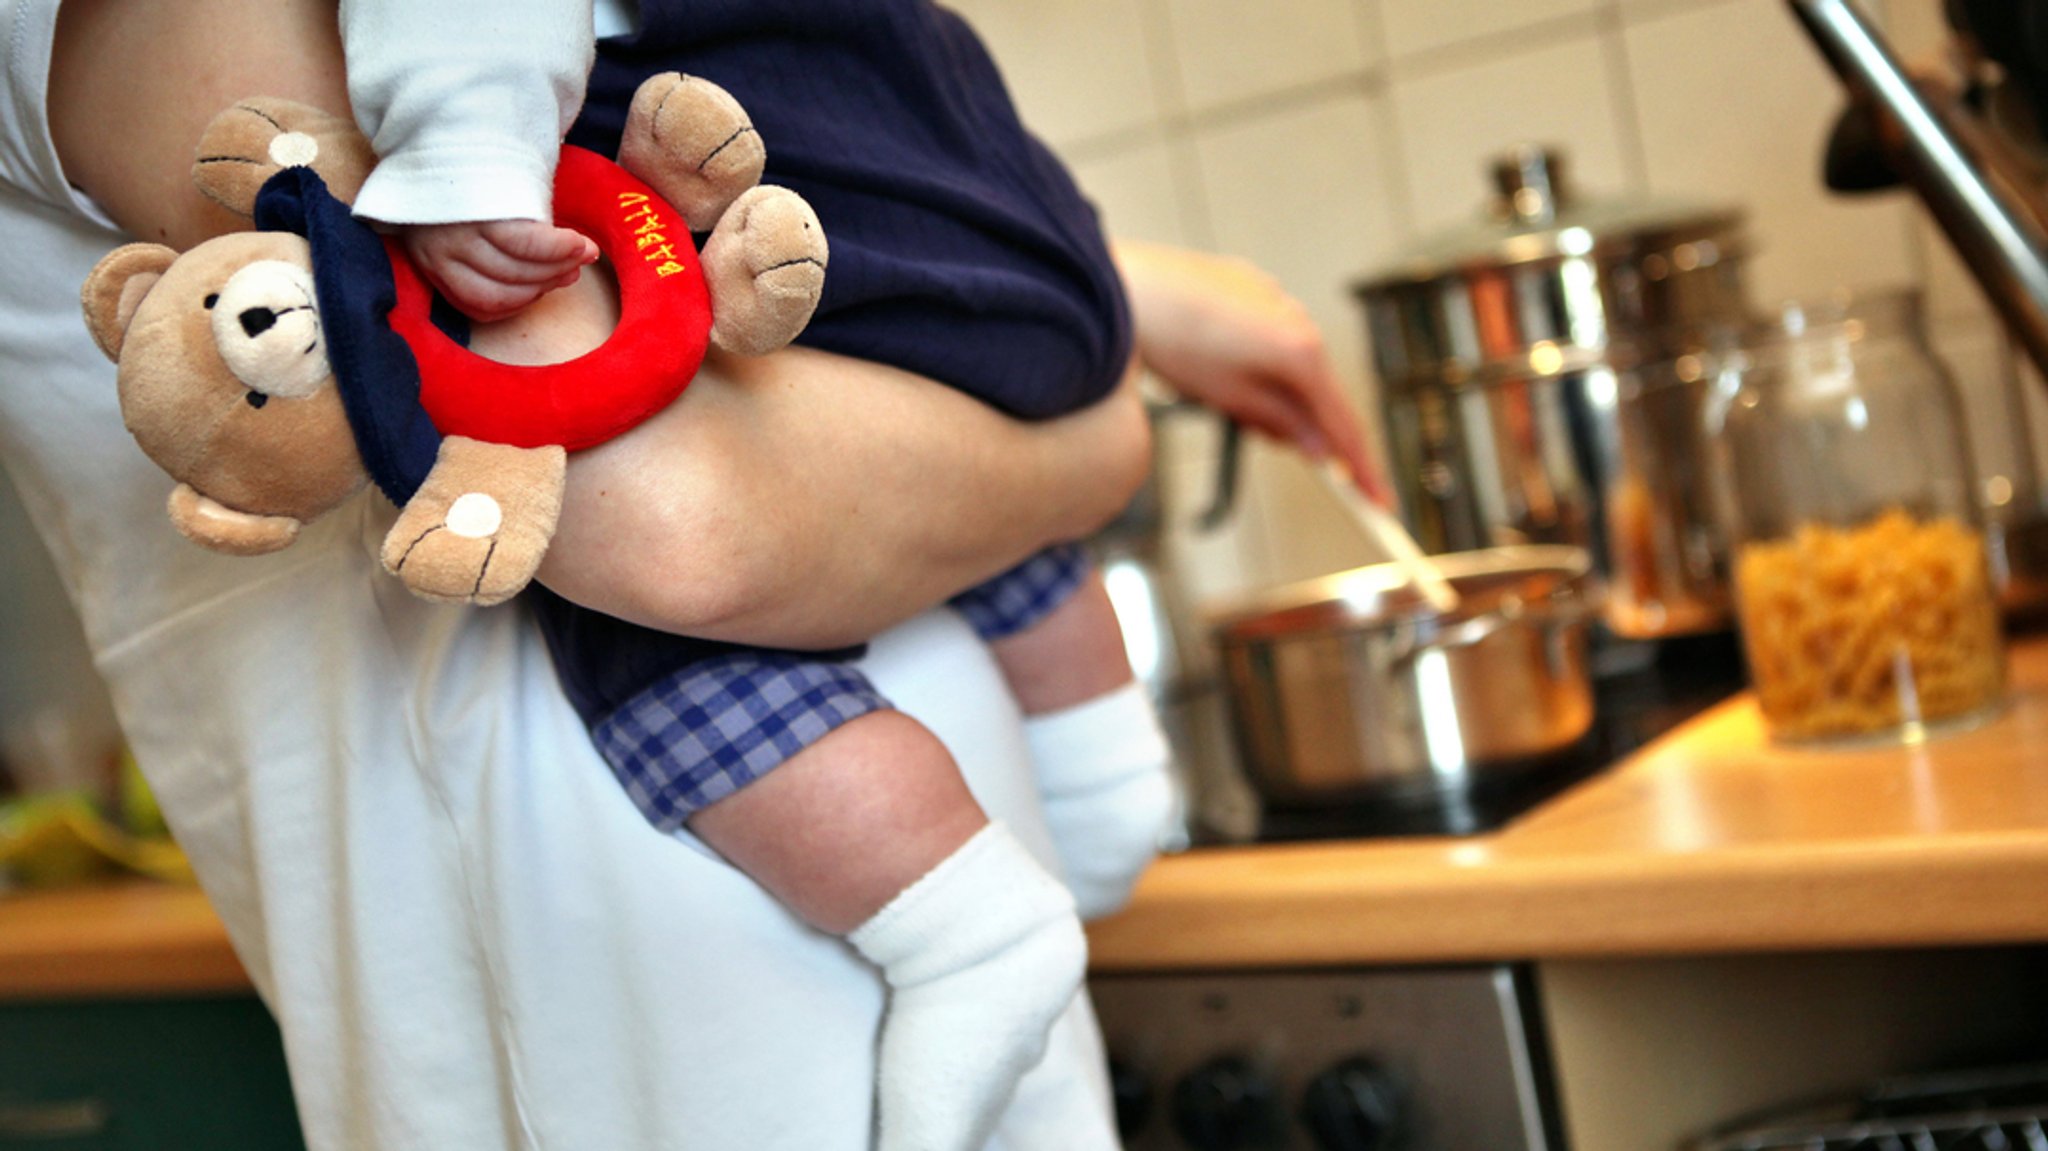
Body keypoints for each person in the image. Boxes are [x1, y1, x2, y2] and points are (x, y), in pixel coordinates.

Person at [12, 3, 1374, 1150]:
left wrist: (1120, 301)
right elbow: (669, 515)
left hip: (847, 960)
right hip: (672, 1037)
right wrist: (1099, 423)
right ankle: (1086, 797)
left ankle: (1086, 799)